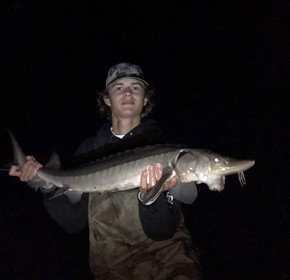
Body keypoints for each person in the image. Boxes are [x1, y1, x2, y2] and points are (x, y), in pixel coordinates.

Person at [9, 63, 202, 279]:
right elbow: (73, 223)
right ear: (107, 99)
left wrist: (151, 198)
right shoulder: (89, 150)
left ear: (146, 99)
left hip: (169, 263)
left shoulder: (165, 148)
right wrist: (45, 184)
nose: (128, 92)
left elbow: (162, 231)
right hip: (111, 268)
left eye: (136, 87)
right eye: (119, 87)